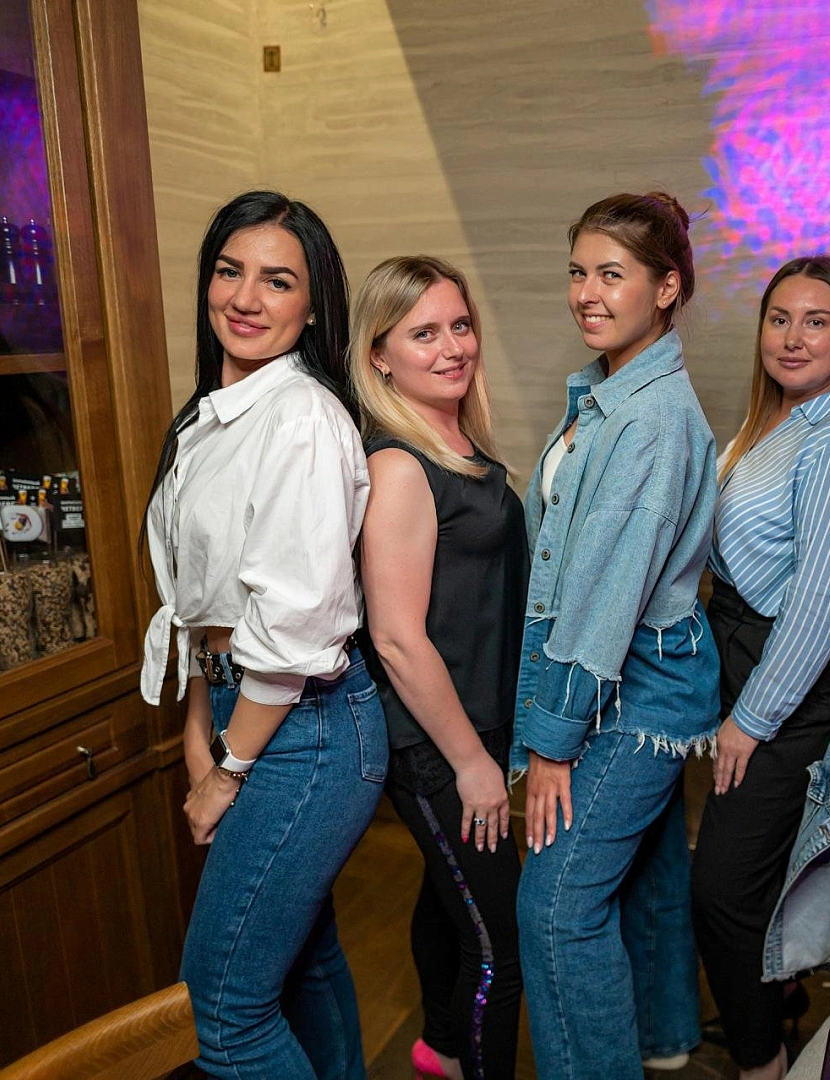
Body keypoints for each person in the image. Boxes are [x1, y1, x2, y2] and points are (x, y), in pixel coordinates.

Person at [139, 190, 382, 1080]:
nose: (244, 298)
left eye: (277, 281)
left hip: (304, 731)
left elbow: (289, 625)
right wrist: (197, 729)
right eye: (228, 271)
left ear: (313, 306)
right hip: (246, 711)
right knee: (303, 966)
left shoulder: (301, 420)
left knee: (224, 1011)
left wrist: (228, 769)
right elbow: (205, 601)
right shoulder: (215, 413)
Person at [513, 192, 718, 1080]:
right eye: (577, 272)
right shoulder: (607, 392)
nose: (586, 294)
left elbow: (603, 598)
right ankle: (665, 1039)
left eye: (610, 274)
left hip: (630, 687)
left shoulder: (648, 417)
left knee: (556, 908)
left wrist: (551, 743)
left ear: (665, 288)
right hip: (624, 676)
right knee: (647, 873)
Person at [691, 256, 830, 1080]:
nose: (792, 336)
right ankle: (773, 1004)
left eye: (816, 321)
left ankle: (762, 1062)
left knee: (721, 890)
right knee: (752, 873)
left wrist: (751, 718)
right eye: (778, 318)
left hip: (792, 677)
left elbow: (818, 600)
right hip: (749, 651)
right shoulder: (772, 423)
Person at [352, 256, 527, 1080]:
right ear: (379, 355)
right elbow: (396, 638)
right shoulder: (397, 465)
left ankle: (441, 1049)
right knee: (501, 948)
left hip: (474, 725)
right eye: (423, 333)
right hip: (434, 743)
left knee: (448, 903)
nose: (452, 347)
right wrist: (469, 763)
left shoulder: (453, 440)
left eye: (459, 325)